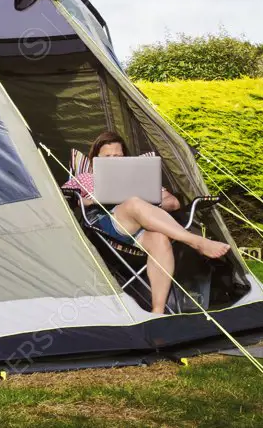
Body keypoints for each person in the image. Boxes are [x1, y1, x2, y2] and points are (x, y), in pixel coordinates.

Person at [64, 131, 230, 315]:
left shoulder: (139, 179)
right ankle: (195, 241)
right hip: (104, 228)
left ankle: (158, 312)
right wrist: (91, 200)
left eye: (118, 156)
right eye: (108, 157)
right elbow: (62, 196)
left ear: (125, 158)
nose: (114, 161)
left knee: (159, 238)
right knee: (133, 202)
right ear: (96, 159)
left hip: (139, 231)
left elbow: (173, 203)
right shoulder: (85, 178)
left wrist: (148, 201)